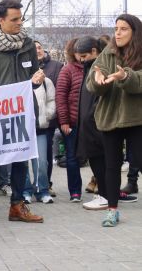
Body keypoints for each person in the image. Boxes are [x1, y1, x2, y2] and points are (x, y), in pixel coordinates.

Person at [0, 0, 44, 228]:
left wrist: (36, 80)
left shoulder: (28, 45)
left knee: (21, 159)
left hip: (23, 113)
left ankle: (17, 205)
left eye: (20, 18)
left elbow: (33, 77)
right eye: (14, 19)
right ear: (0, 20)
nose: (19, 23)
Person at [86, 14, 142, 227]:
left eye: (123, 29)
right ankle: (112, 210)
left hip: (137, 118)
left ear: (135, 32)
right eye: (116, 28)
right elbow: (93, 83)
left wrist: (126, 77)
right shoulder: (107, 53)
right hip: (110, 117)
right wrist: (99, 81)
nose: (117, 33)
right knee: (112, 165)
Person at [75, 36, 109, 211]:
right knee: (98, 161)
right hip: (90, 125)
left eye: (83, 55)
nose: (80, 59)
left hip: (97, 125)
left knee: (101, 161)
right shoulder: (89, 67)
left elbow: (99, 97)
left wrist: (90, 119)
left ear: (94, 52)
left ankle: (105, 196)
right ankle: (105, 194)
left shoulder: (99, 67)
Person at [55, 38, 84, 202]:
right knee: (72, 157)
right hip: (72, 123)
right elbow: (61, 97)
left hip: (90, 123)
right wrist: (64, 122)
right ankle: (75, 192)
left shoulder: (94, 68)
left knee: (95, 157)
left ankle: (102, 189)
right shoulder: (67, 70)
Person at [34, 41, 63, 195]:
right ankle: (30, 186)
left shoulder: (56, 66)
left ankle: (46, 184)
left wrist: (50, 113)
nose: (37, 50)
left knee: (46, 154)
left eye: (39, 47)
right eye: (34, 49)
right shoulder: (26, 67)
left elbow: (58, 92)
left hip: (47, 120)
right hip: (30, 121)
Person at [24, 67, 56, 204]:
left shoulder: (46, 82)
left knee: (42, 162)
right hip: (24, 130)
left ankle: (42, 190)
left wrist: (47, 115)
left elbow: (51, 100)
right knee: (23, 164)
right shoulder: (21, 82)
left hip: (40, 128)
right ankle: (25, 191)